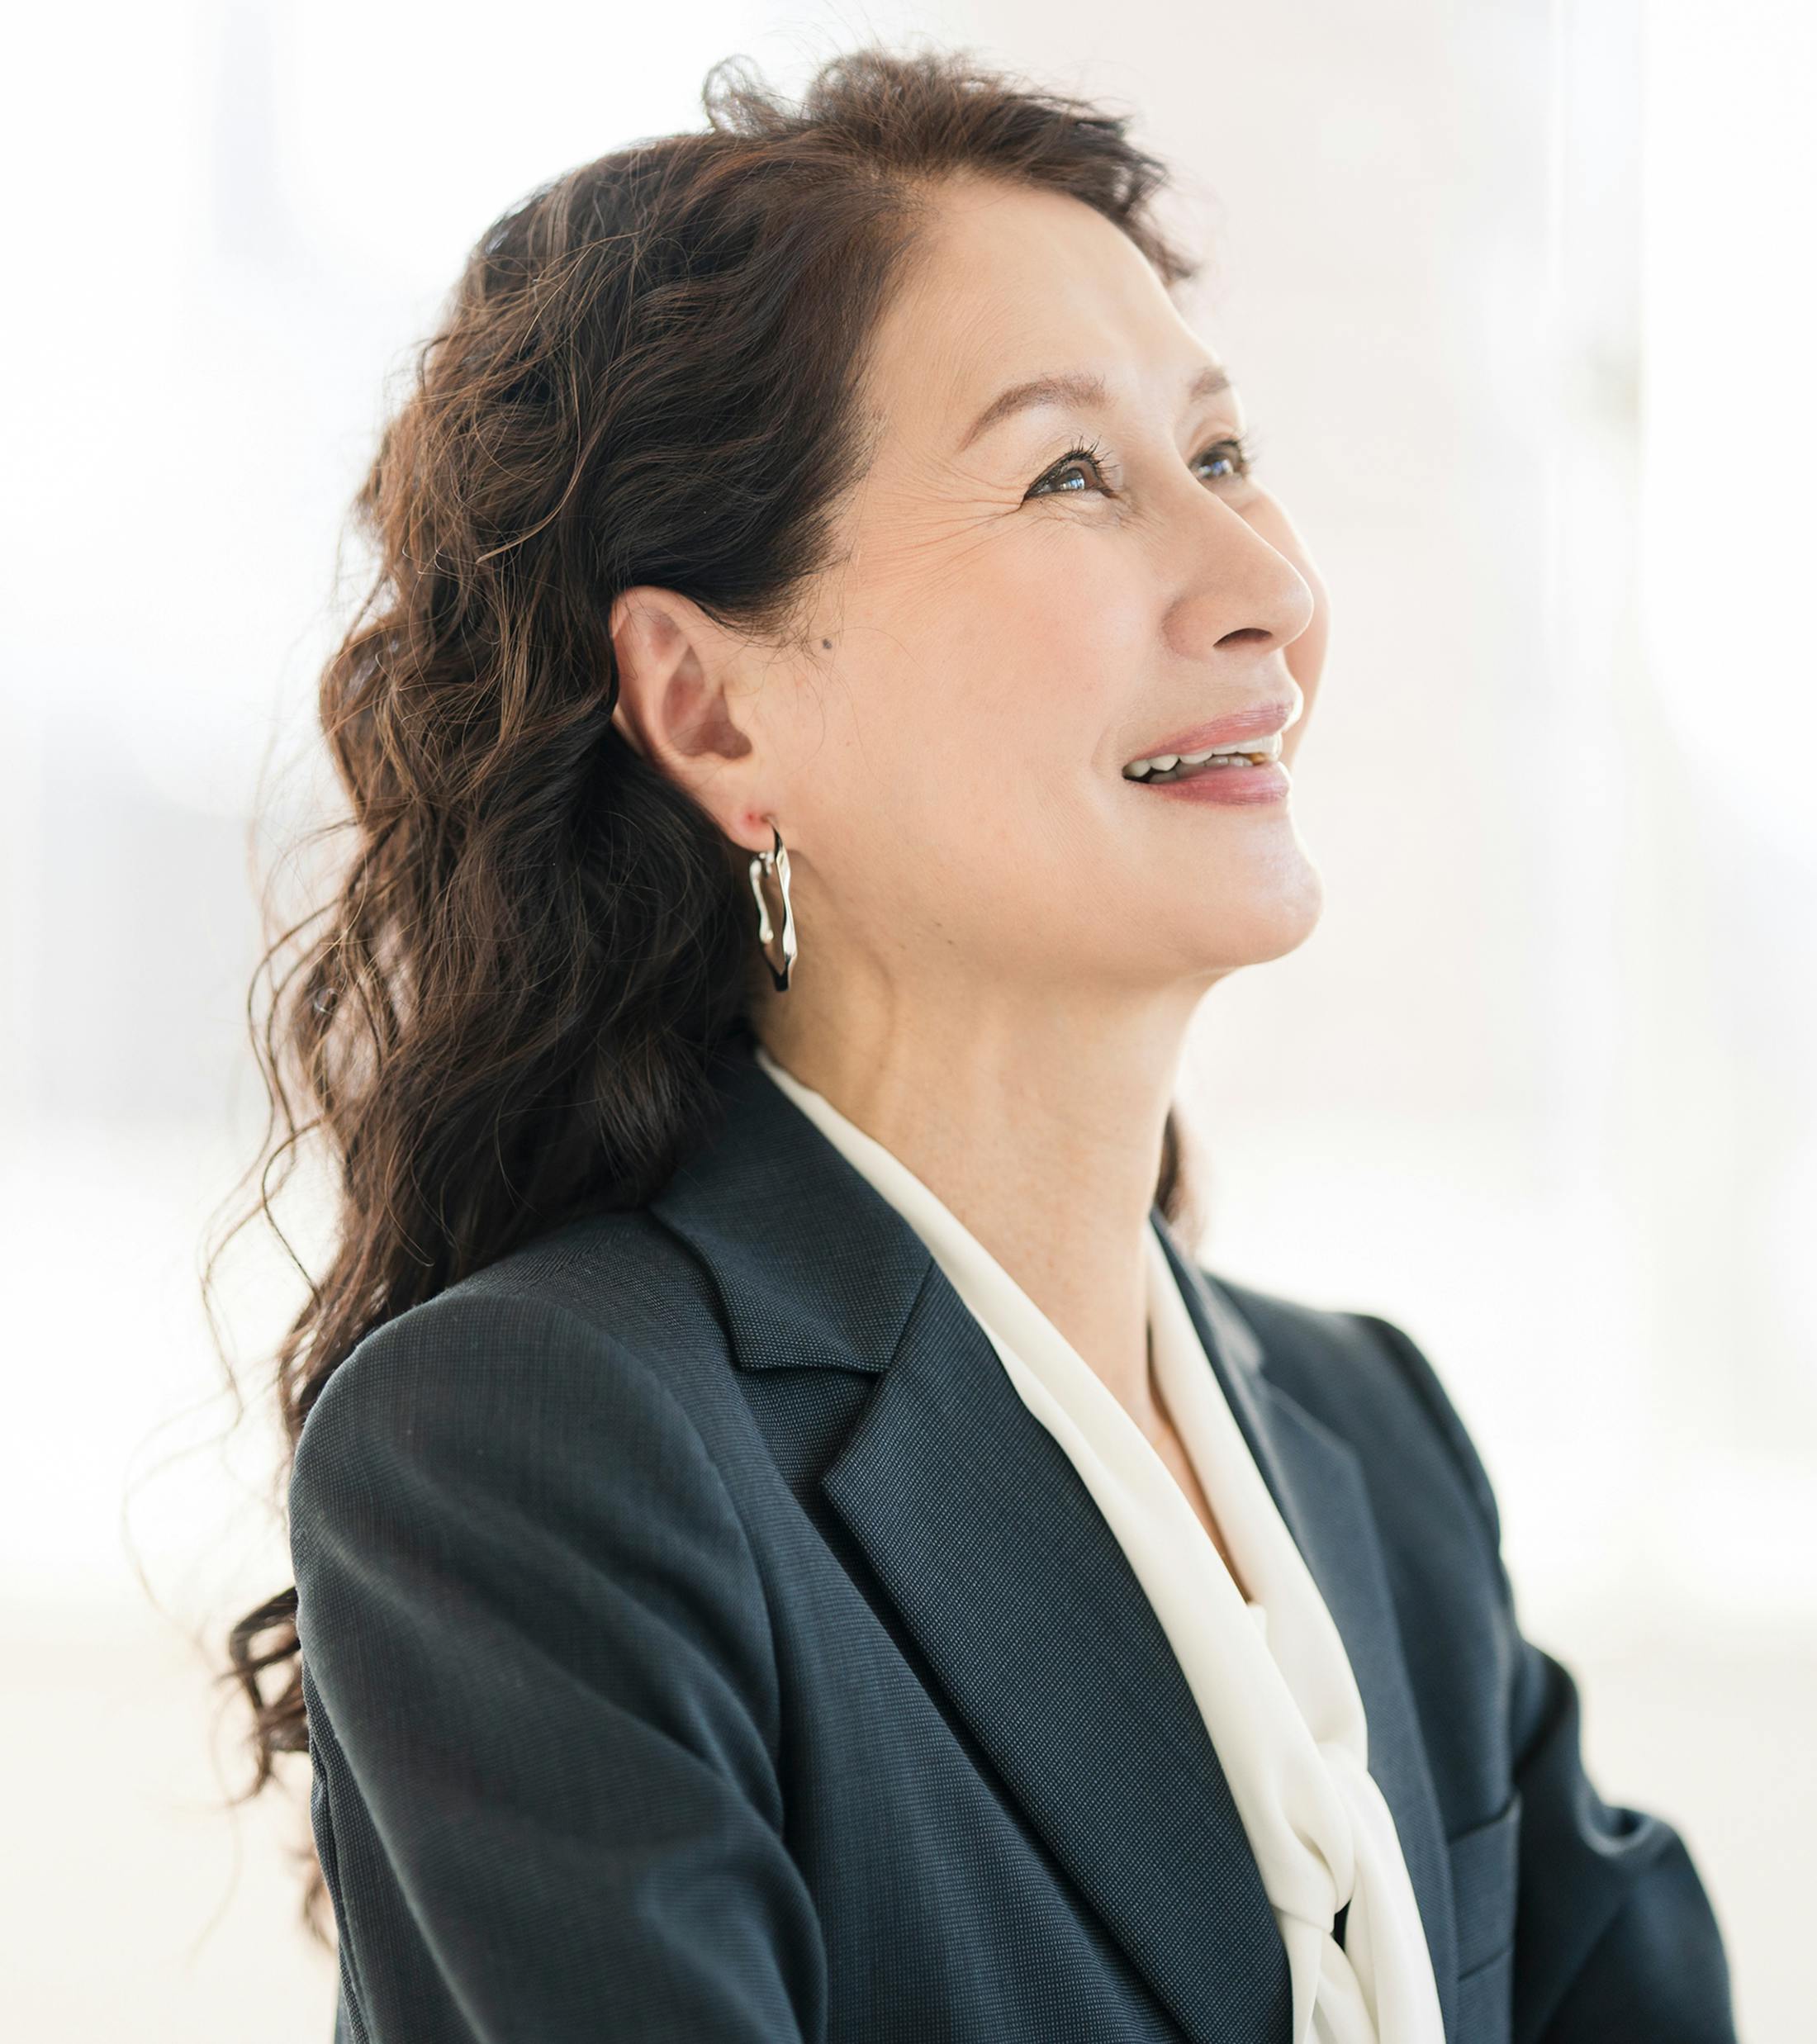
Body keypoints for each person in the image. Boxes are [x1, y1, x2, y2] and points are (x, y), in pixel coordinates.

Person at [229, 42, 1738, 2044]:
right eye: (1067, 476)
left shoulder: (1369, 1441)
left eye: (1215, 455)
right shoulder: (535, 1453)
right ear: (711, 709)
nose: (1264, 587)